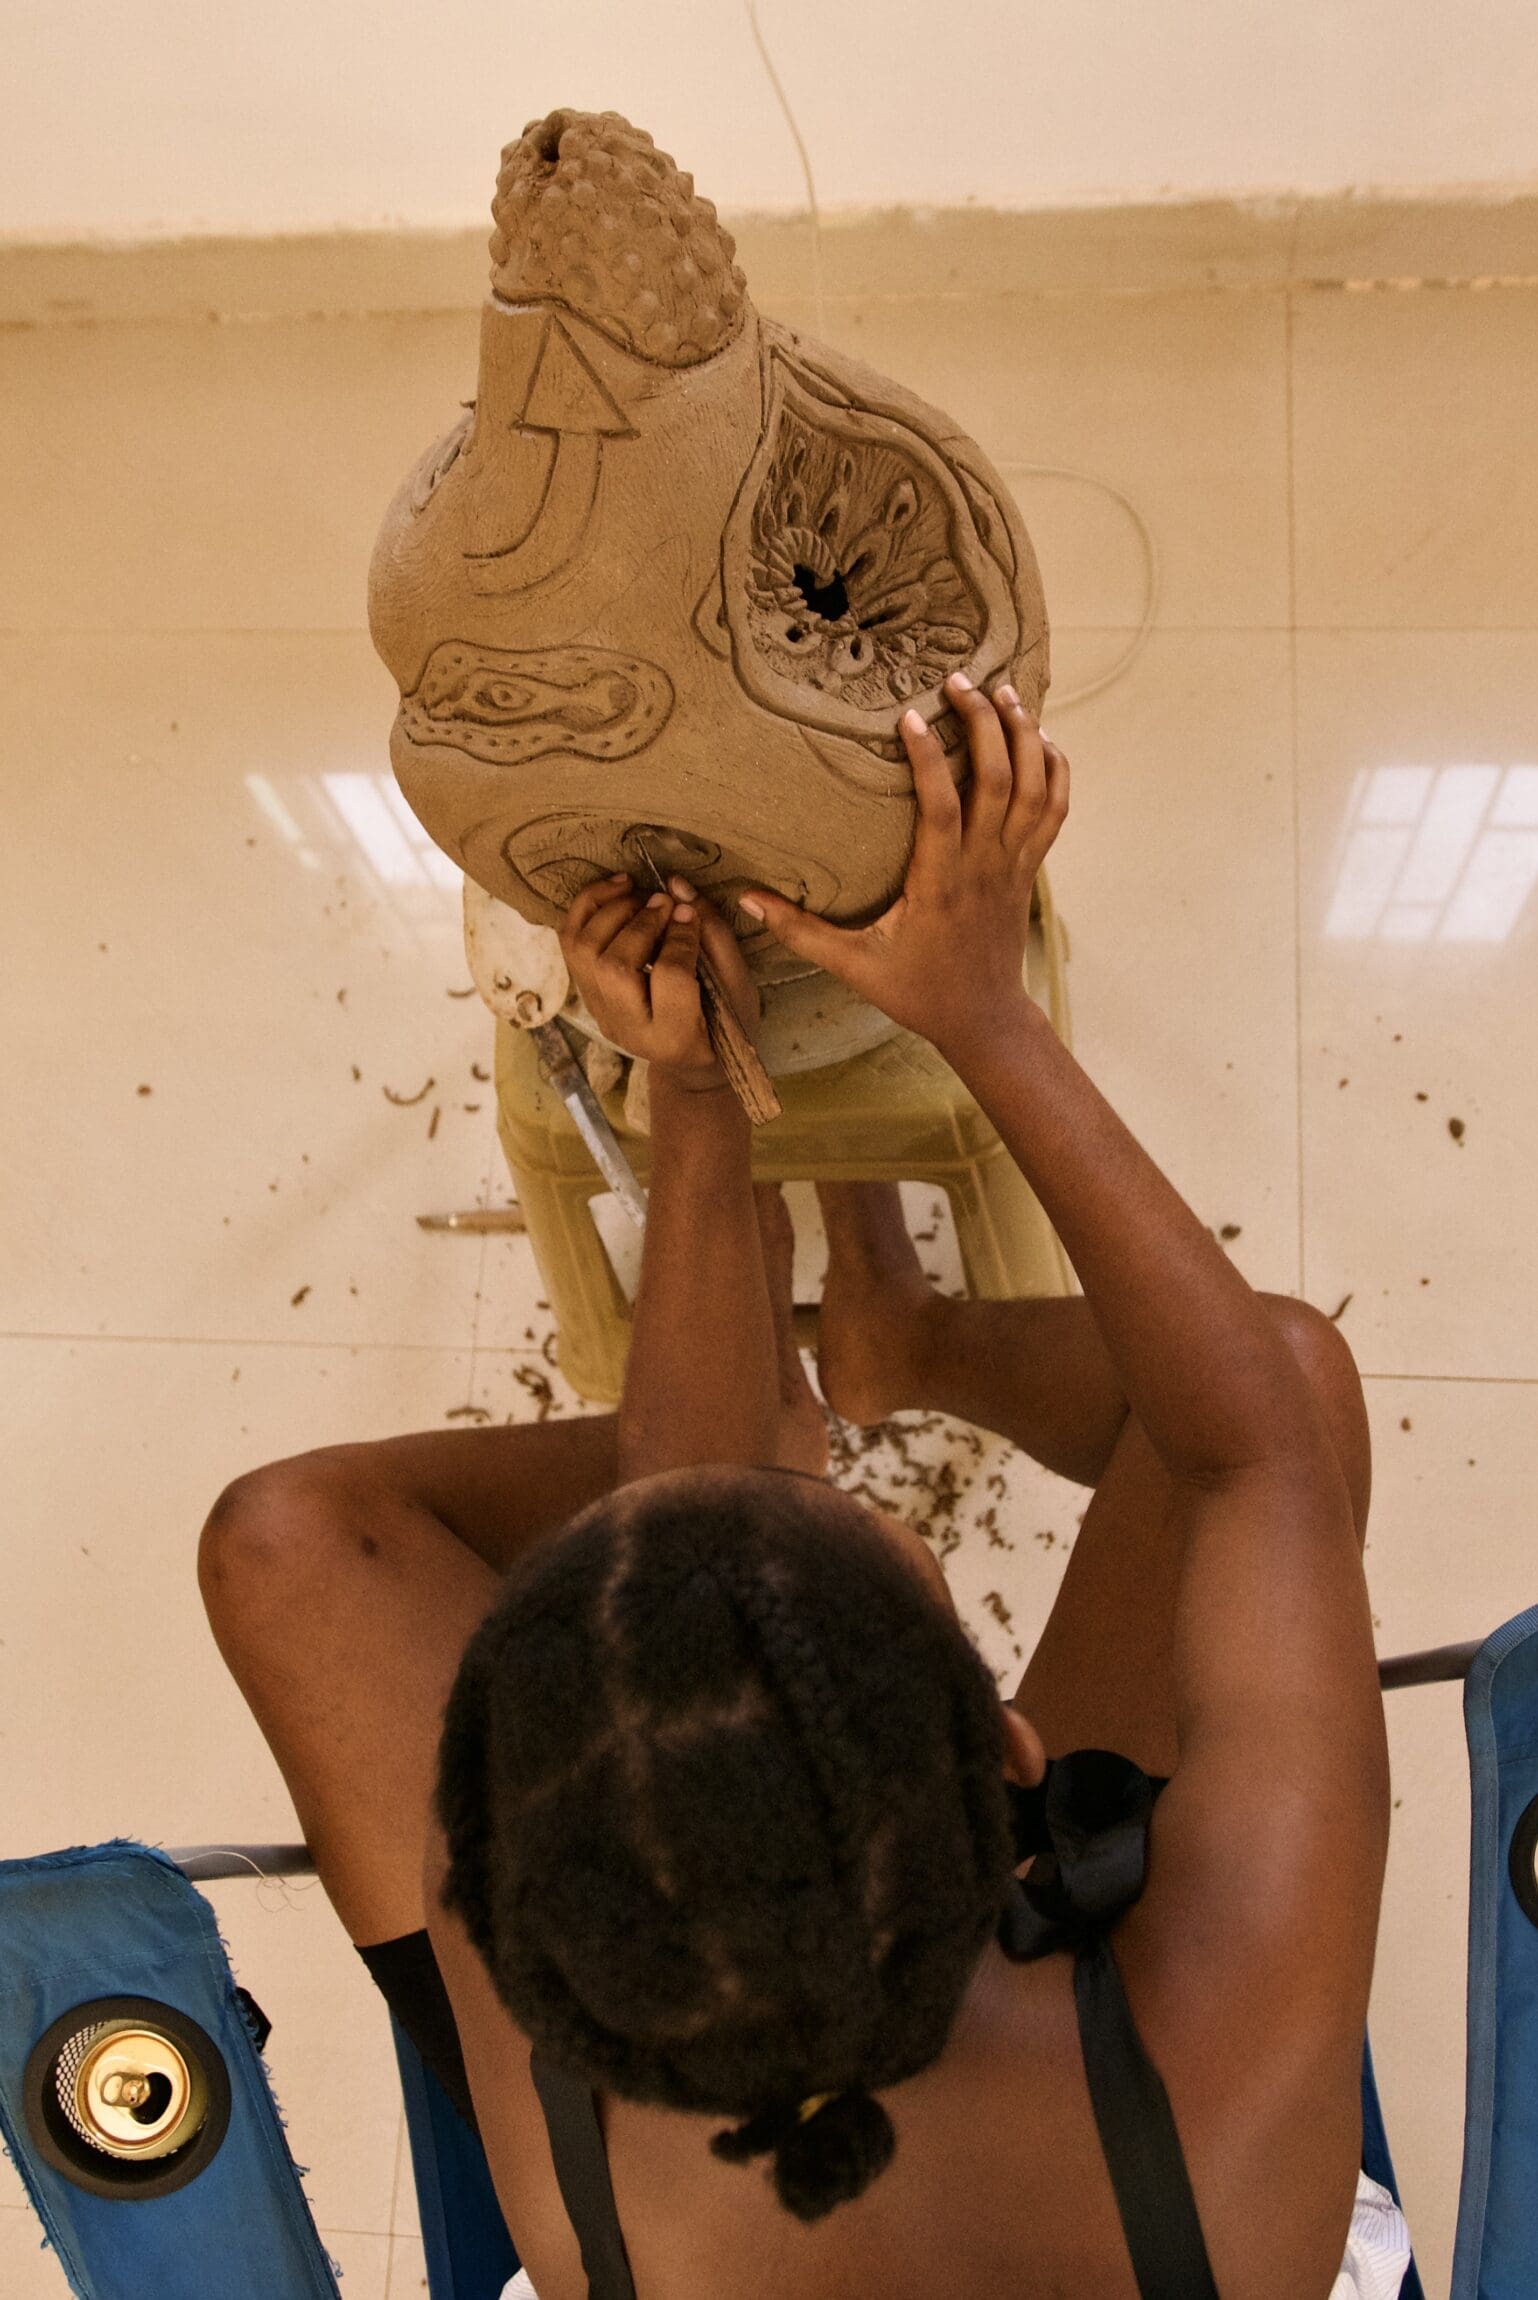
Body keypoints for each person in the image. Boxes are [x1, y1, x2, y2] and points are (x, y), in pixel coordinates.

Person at [199, 679, 1409, 2300]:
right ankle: (868, 1349)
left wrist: (696, 1099)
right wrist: (983, 1015)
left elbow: (675, 1535)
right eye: (863, 1535)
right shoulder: (1223, 2053)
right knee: (1286, 1377)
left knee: (279, 1541)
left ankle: (866, 1345)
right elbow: (1249, 1438)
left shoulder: (557, 2042)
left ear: (508, 1903)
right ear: (1014, 1766)